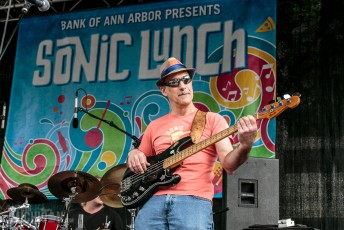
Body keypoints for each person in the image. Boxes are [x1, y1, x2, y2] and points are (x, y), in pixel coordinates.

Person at [126, 57, 258, 230]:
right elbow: (139, 163)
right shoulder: (154, 125)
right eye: (174, 82)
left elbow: (229, 165)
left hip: (193, 200)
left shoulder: (212, 120)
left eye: (186, 80)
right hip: (153, 201)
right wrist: (134, 153)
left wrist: (245, 146)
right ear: (164, 90)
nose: (182, 86)